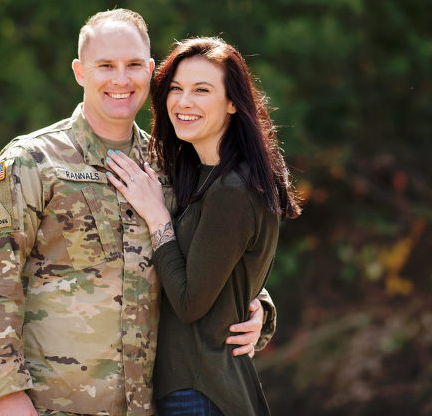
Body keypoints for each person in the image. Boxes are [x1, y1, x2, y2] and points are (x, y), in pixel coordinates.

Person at [0, 10, 277, 416]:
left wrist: (260, 311)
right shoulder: (31, 161)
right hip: (55, 404)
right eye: (105, 66)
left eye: (132, 65)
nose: (120, 79)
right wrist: (7, 392)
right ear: (80, 72)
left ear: (149, 71)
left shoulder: (170, 165)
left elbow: (213, 251)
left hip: (148, 405)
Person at [105, 37, 301, 416]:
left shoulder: (231, 189)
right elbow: (224, 272)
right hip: (195, 387)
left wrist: (156, 215)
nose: (183, 102)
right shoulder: (202, 176)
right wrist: (259, 302)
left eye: (201, 90)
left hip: (199, 393)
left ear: (232, 103)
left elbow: (191, 303)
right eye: (175, 89)